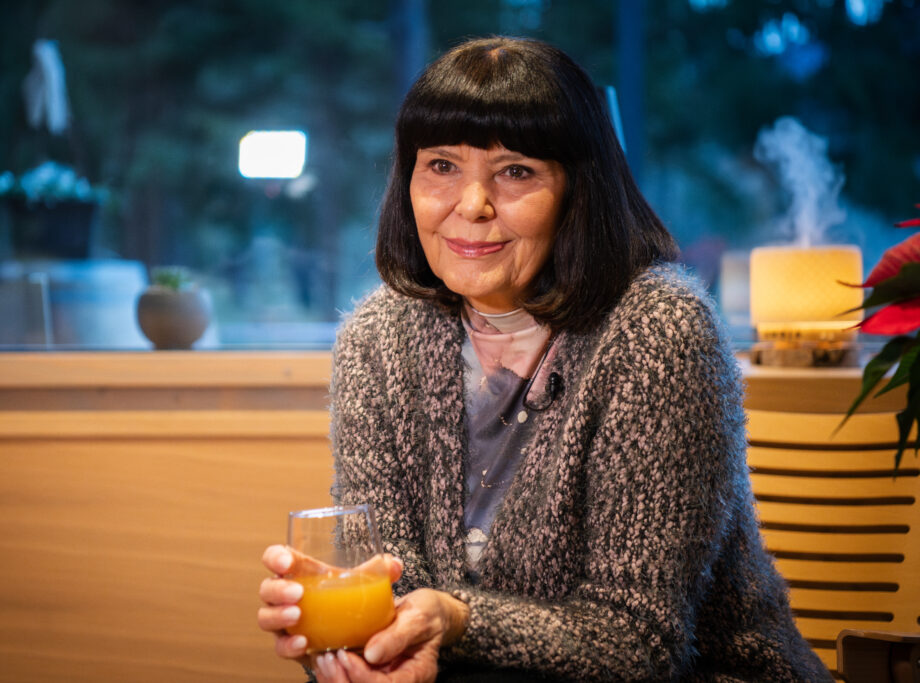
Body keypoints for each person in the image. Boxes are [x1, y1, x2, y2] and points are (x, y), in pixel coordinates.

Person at [258, 36, 830, 682]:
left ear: (577, 190)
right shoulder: (376, 339)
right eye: (441, 166)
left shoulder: (659, 331)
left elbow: (637, 642)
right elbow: (395, 597)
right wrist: (349, 644)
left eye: (516, 172)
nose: (471, 205)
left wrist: (457, 621)